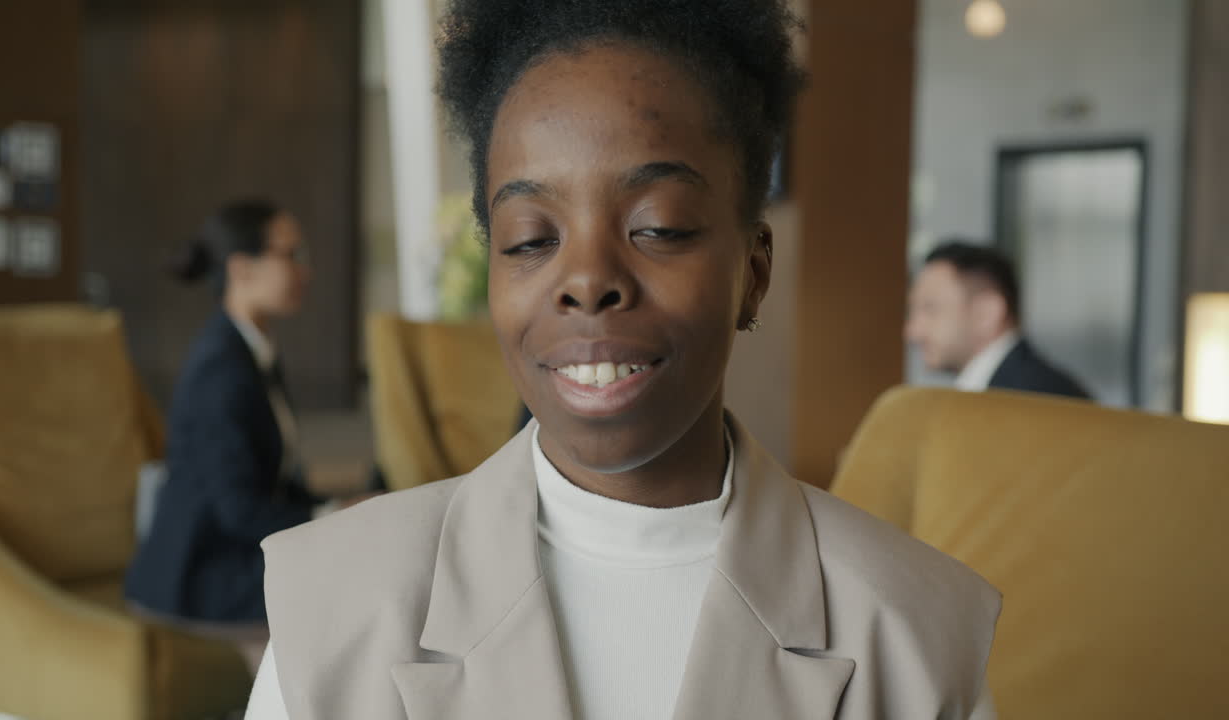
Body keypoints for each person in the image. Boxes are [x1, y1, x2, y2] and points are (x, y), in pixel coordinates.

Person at [247, 2, 1001, 718]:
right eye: (530, 240)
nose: (585, 281)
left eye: (659, 227)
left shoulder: (916, 635)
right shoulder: (330, 609)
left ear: (754, 274)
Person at [125, 200, 358, 667]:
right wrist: (331, 513)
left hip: (231, 552)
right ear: (242, 268)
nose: (304, 270)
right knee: (352, 590)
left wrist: (341, 508)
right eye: (291, 254)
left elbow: (271, 478)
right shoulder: (221, 366)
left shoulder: (253, 350)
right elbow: (236, 510)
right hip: (198, 572)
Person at [906, 240, 1092, 400]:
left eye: (930, 308)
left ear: (987, 313)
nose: (912, 332)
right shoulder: (1011, 390)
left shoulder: (1039, 399)